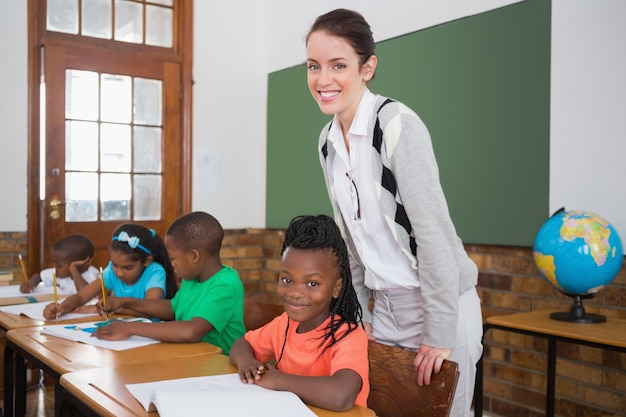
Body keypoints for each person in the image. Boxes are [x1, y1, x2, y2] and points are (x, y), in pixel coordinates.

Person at [305, 9, 483, 417]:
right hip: (385, 309)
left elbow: (433, 235)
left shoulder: (396, 125)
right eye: (314, 66)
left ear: (368, 68)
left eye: (338, 65)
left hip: (440, 307)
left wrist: (439, 334)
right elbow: (350, 238)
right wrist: (358, 309)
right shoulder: (327, 141)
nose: (323, 80)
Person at [229, 214, 369, 412]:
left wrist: (278, 380)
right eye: (287, 280)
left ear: (337, 288)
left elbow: (341, 396)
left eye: (312, 283)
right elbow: (242, 344)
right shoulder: (284, 324)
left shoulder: (347, 336)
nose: (295, 293)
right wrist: (247, 362)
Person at [92, 211, 245, 355]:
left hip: (218, 366)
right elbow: (172, 308)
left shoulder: (226, 284)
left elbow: (192, 331)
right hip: (189, 357)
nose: (171, 264)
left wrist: (130, 328)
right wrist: (124, 302)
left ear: (194, 256)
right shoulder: (191, 279)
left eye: (172, 258)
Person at [43, 224, 177, 320]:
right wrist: (61, 307)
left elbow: (150, 310)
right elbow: (81, 297)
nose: (118, 273)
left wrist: (114, 307)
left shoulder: (154, 272)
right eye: (115, 265)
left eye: (128, 267)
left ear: (146, 261)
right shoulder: (112, 271)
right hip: (122, 329)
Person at [20, 234, 98, 294]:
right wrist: (31, 283)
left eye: (58, 265)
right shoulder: (59, 273)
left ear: (80, 264)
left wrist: (73, 269)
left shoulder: (92, 276)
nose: (54, 267)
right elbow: (39, 277)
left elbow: (85, 294)